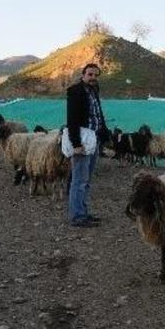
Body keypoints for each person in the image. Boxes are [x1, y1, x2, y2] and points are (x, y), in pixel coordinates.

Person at [66, 63, 109, 227]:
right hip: (82, 141)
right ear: (83, 74)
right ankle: (77, 216)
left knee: (87, 180)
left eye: (96, 75)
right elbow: (72, 119)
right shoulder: (75, 91)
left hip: (94, 139)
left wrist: (105, 133)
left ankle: (83, 212)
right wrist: (75, 143)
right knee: (79, 180)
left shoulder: (94, 91)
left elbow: (98, 115)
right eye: (90, 74)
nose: (93, 78)